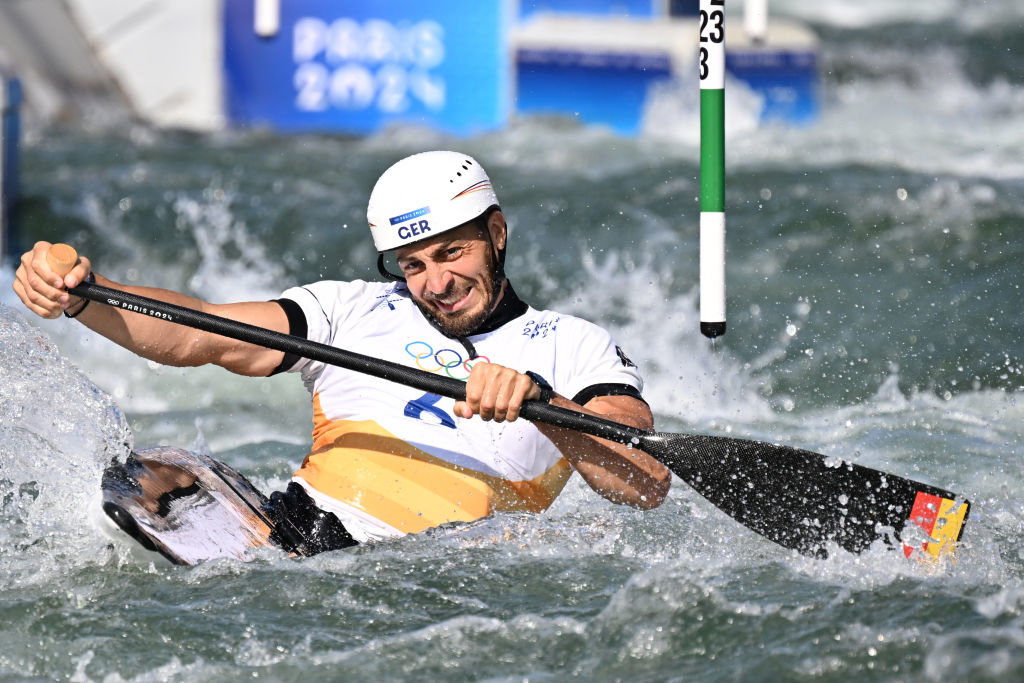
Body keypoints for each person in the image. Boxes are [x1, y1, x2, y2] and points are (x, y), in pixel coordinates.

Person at [13, 150, 671, 553]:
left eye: (452, 253)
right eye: (412, 265)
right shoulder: (349, 308)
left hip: (438, 576)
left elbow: (645, 481)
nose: (435, 284)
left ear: (496, 233)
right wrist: (83, 294)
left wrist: (542, 404)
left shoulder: (571, 344)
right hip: (297, 534)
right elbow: (202, 331)